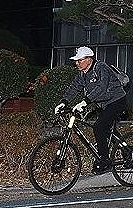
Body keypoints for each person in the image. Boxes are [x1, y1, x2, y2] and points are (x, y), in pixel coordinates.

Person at [55, 46, 128, 174]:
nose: (77, 63)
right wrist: (63, 102)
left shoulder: (101, 68)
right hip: (104, 104)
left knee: (99, 127)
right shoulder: (82, 74)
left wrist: (85, 102)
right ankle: (127, 151)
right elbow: (74, 87)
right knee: (108, 129)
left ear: (89, 59)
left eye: (80, 60)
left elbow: (101, 87)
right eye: (76, 61)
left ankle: (104, 160)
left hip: (117, 100)